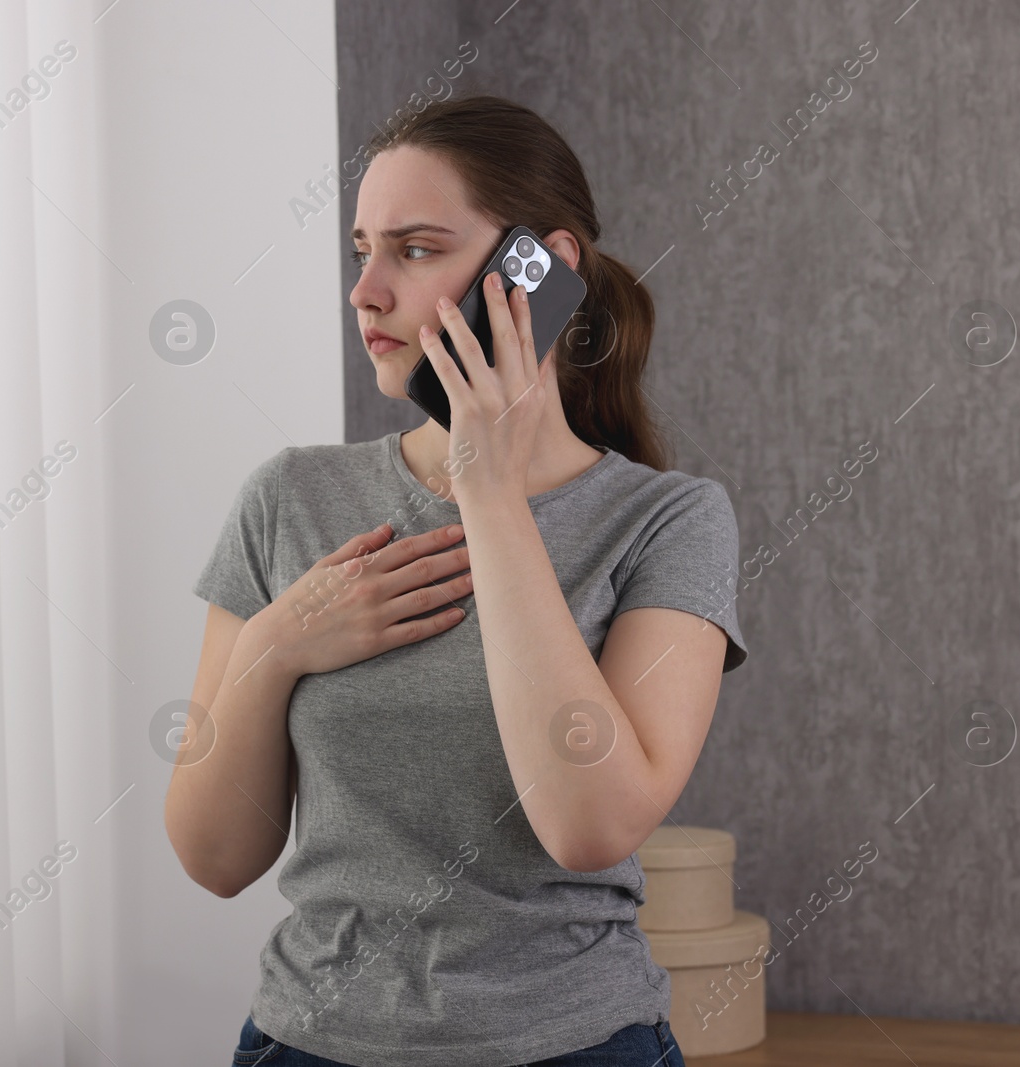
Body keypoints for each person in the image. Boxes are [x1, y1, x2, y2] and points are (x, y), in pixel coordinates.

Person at [166, 93, 748, 1067]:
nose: (365, 290)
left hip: (572, 1045)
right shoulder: (290, 497)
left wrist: (489, 492)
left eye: (416, 248)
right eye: (361, 249)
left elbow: (588, 822)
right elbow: (214, 857)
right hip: (305, 1042)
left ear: (542, 269)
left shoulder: (670, 521)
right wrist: (275, 646)